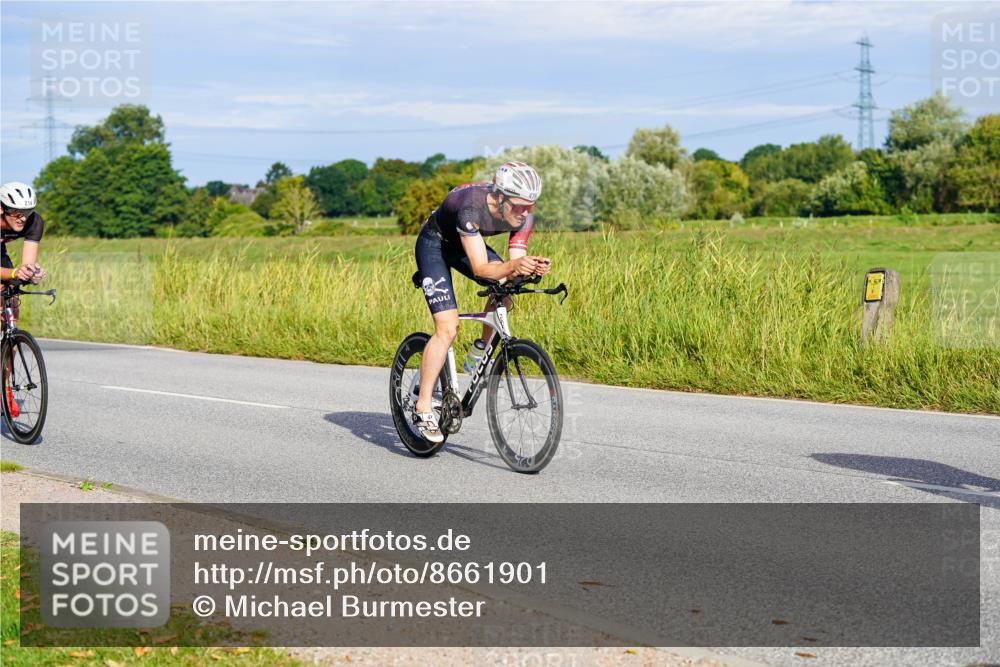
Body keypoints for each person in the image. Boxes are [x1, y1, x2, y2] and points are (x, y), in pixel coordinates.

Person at [412, 161, 551, 443]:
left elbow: (511, 265)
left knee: (507, 289)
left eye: (531, 206)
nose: (525, 213)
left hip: (465, 243)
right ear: (499, 196)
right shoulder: (469, 207)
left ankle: (480, 349)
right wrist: (514, 267)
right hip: (435, 245)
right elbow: (480, 269)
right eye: (519, 206)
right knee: (447, 328)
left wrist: (526, 267)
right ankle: (423, 406)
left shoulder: (524, 214)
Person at [0, 181, 47, 418]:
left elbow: (26, 265)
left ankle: (4, 385)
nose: (22, 218)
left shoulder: (34, 222)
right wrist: (12, 273)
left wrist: (32, 273)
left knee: (12, 319)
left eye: (27, 213)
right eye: (17, 213)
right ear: (2, 209)